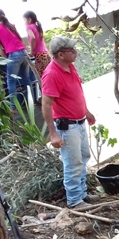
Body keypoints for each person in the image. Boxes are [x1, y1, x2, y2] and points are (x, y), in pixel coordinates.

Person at [41, 37, 97, 209]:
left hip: (78, 122)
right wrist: (53, 133)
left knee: (83, 158)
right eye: (71, 50)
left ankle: (82, 193)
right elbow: (46, 104)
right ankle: (74, 200)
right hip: (68, 125)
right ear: (60, 54)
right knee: (73, 163)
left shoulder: (69, 67)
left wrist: (86, 112)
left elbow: (76, 93)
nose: (75, 52)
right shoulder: (52, 74)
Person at [0, 8, 32, 111]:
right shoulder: (11, 25)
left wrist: (5, 59)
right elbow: (19, 39)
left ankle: (13, 107)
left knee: (11, 81)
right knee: (26, 79)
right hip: (24, 52)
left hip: (13, 54)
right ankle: (29, 104)